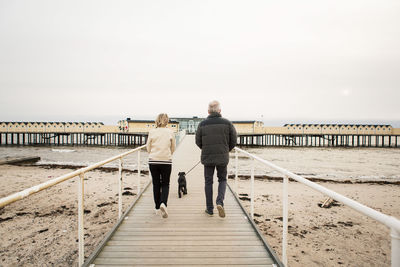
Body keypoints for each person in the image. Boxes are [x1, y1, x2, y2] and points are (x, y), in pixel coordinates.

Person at [195, 100, 237, 217]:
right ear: (220, 110)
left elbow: (198, 141)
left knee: (208, 181)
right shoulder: (228, 123)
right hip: (222, 156)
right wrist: (225, 150)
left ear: (208, 111)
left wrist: (206, 149)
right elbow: (234, 140)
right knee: (222, 179)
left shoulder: (202, 124)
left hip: (207, 156)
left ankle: (209, 208)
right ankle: (220, 202)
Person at [146, 113, 176, 218]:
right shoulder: (170, 132)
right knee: (165, 183)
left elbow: (148, 147)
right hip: (166, 161)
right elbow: (173, 147)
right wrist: (168, 154)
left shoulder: (152, 132)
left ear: (157, 120)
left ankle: (157, 208)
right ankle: (164, 203)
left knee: (156, 184)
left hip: (153, 161)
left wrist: (152, 154)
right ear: (167, 121)